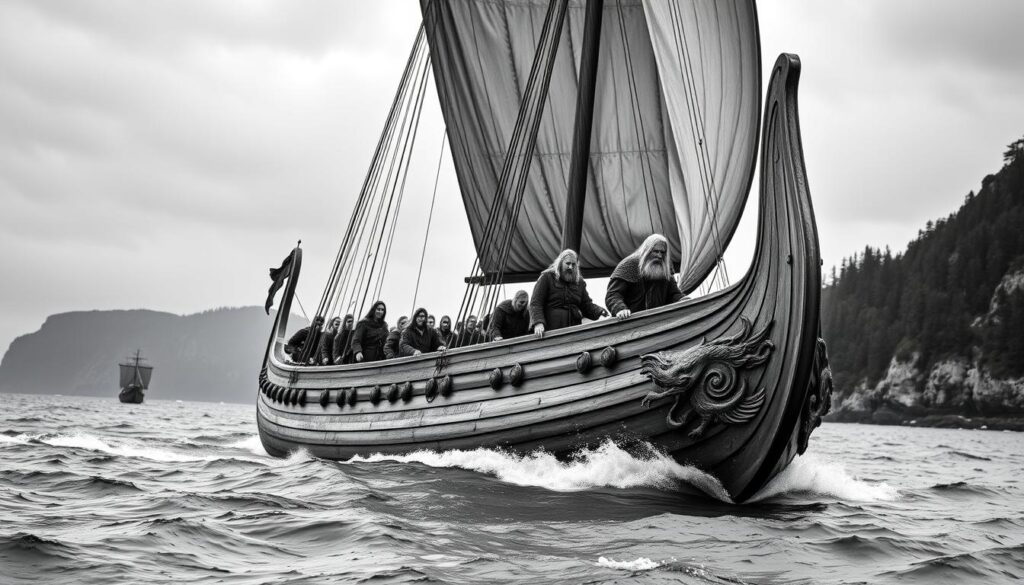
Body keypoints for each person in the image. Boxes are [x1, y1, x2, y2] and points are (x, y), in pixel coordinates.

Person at [530, 249, 607, 337]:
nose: (570, 267)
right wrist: (538, 323)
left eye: (573, 264)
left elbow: (587, 305)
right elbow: (536, 303)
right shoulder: (547, 277)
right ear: (560, 263)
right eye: (568, 263)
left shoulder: (579, 282)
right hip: (551, 331)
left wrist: (601, 313)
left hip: (573, 330)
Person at [605, 234, 683, 319]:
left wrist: (683, 300)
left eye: (662, 252)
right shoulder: (629, 265)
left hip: (659, 319)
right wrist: (620, 309)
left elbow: (674, 293)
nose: (660, 256)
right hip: (632, 321)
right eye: (656, 251)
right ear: (647, 250)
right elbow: (613, 295)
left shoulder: (665, 267)